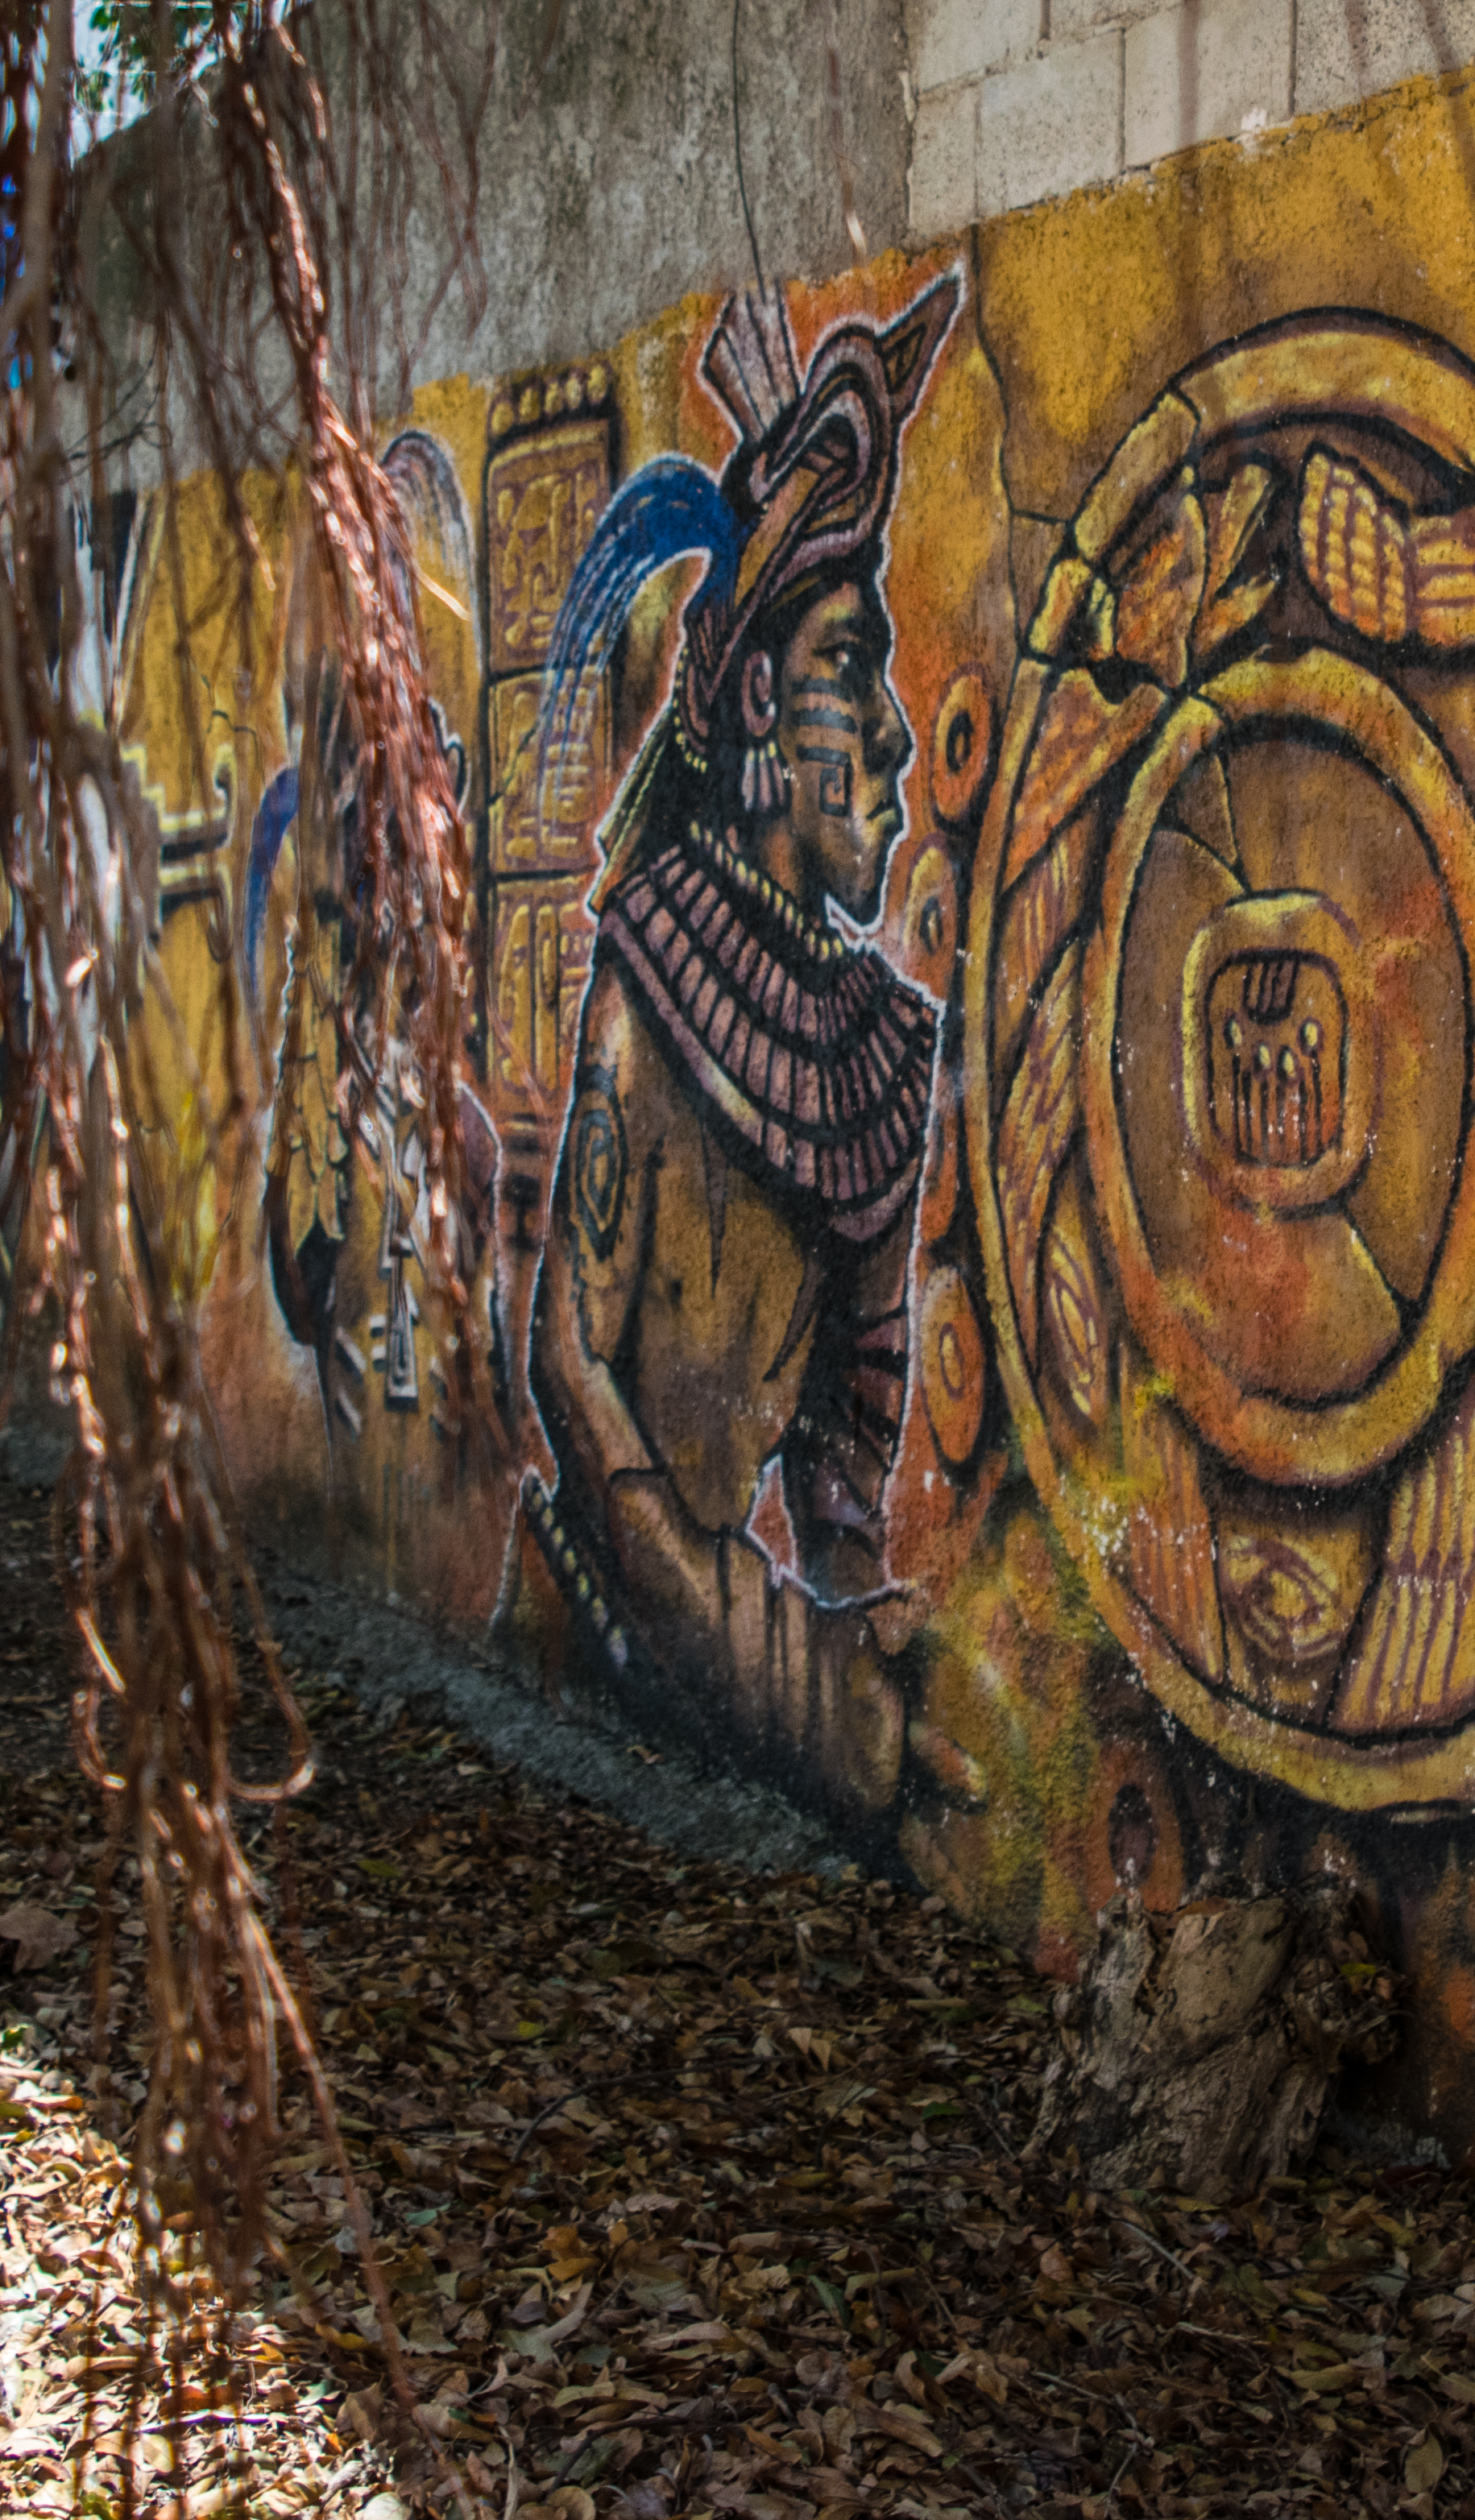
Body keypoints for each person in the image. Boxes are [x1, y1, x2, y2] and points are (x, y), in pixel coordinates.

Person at [521, 273, 961, 1817]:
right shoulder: (642, 982)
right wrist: (778, 1668)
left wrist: (857, 1623)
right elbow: (569, 1362)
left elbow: (847, 1434)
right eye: (856, 668)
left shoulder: (890, 1060)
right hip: (599, 1599)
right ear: (763, 694)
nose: (898, 731)